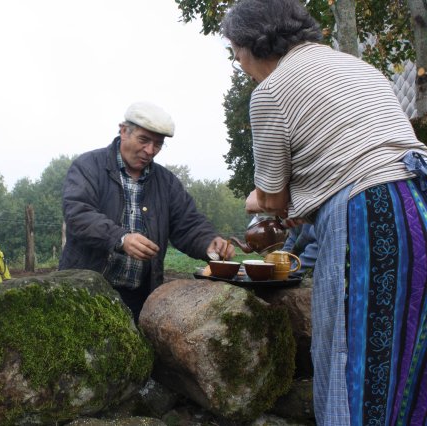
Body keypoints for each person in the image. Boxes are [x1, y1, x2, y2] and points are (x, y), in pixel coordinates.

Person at [221, 0, 427, 423]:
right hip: (419, 201)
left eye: (235, 51)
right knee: (412, 348)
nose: (238, 63)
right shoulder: (359, 68)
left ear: (251, 43)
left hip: (372, 213)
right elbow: (347, 153)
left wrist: (252, 201)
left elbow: (271, 200)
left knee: (357, 354)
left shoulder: (270, 92)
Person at [59, 101, 235, 322]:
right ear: (124, 131)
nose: (150, 151)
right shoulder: (88, 166)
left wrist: (208, 243)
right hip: (84, 293)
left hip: (139, 300)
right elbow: (78, 214)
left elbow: (188, 224)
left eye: (158, 144)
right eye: (144, 140)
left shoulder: (166, 182)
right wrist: (121, 238)